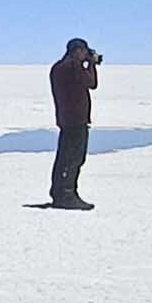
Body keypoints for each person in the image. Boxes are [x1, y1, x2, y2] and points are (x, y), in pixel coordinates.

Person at [48, 39, 101, 208]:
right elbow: (91, 83)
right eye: (84, 51)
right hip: (76, 119)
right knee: (74, 158)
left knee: (64, 157)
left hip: (65, 118)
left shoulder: (58, 67)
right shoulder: (72, 67)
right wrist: (91, 65)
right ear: (78, 51)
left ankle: (59, 192)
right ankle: (67, 194)